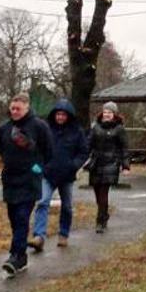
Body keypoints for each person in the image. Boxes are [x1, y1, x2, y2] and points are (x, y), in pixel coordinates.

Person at [0, 92, 52, 276]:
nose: (15, 112)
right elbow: (2, 150)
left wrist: (38, 168)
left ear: (27, 108)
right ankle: (21, 257)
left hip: (29, 180)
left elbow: (48, 152)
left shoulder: (39, 126)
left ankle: (15, 255)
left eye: (18, 109)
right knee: (14, 218)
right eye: (12, 108)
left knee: (21, 217)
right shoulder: (4, 128)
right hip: (10, 180)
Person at [31, 99, 89, 249]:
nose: (60, 117)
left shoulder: (77, 132)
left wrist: (74, 165)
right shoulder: (46, 129)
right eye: (58, 114)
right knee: (43, 202)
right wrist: (39, 166)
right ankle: (39, 236)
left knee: (67, 206)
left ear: (68, 116)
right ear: (54, 115)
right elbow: (37, 149)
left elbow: (83, 152)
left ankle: (63, 234)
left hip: (67, 175)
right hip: (48, 173)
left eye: (63, 115)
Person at [86, 101, 130, 233]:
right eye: (105, 112)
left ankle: (100, 222)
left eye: (109, 112)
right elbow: (88, 144)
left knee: (103, 192)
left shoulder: (119, 129)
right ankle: (104, 213)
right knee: (97, 193)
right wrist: (83, 158)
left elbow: (124, 148)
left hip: (111, 163)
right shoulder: (95, 127)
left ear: (114, 114)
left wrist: (125, 165)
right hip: (96, 163)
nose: (107, 114)